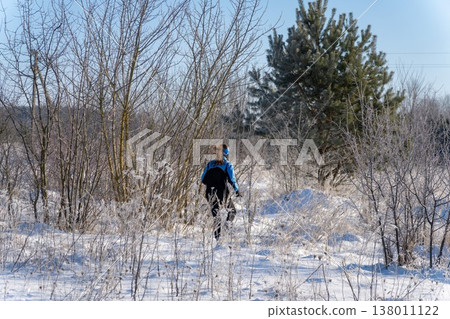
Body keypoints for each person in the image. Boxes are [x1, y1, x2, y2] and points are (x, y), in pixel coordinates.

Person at [201, 144, 241, 240]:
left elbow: (203, 179)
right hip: (222, 193)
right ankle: (227, 228)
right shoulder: (228, 165)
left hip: (209, 193)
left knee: (216, 215)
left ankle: (217, 239)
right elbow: (232, 180)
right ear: (226, 153)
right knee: (232, 211)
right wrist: (237, 190)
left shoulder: (210, 164)